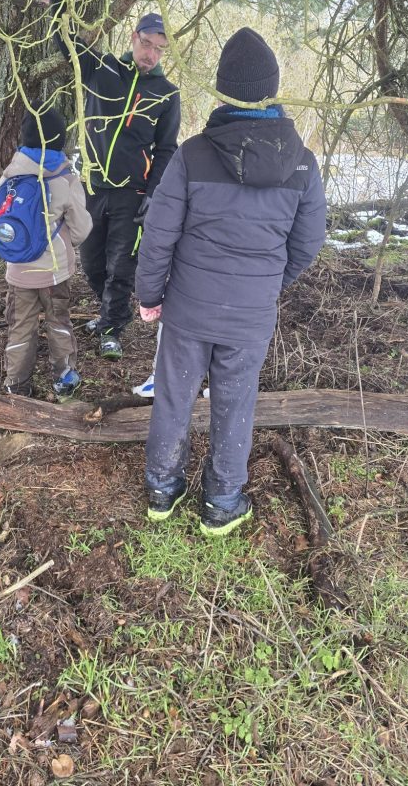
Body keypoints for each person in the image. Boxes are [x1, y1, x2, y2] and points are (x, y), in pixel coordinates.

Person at [135, 28, 327, 536]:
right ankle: (221, 501)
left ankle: (162, 487)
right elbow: (308, 245)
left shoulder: (193, 155)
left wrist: (150, 295)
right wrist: (268, 284)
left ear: (223, 92)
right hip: (251, 314)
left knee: (175, 395)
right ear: (273, 90)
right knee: (236, 400)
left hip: (187, 310)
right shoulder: (303, 164)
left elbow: (158, 235)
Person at [54, 4, 181, 360]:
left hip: (133, 191)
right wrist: (56, 5)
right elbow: (66, 43)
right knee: (92, 261)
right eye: (147, 44)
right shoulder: (103, 68)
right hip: (93, 186)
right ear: (133, 37)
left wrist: (154, 193)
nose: (151, 54)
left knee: (120, 265)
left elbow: (167, 149)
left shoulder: (167, 94)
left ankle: (112, 328)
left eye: (159, 48)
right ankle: (112, 311)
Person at [0, 107, 92, 397]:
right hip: (53, 273)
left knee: (20, 327)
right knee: (58, 322)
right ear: (60, 139)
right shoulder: (64, 178)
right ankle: (64, 380)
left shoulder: (10, 175)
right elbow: (81, 230)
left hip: (18, 270)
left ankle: (16, 385)